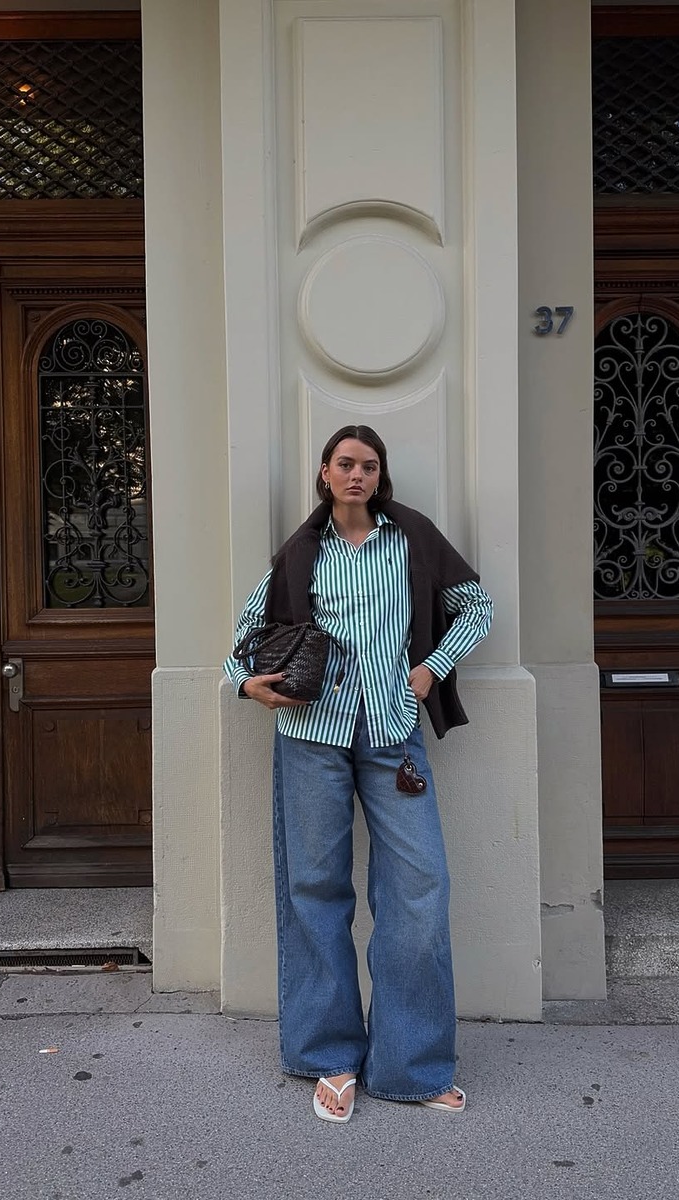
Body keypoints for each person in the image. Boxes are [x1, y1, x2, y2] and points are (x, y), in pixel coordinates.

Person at [223, 425, 493, 1124]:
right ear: (325, 472)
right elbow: (245, 636)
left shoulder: (411, 540)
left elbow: (477, 607)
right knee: (315, 889)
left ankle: (411, 1065)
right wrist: (247, 685)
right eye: (345, 464)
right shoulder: (301, 552)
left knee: (420, 888)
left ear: (379, 476)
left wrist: (431, 668)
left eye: (368, 466)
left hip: (391, 733)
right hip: (309, 735)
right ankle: (330, 1057)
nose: (356, 475)